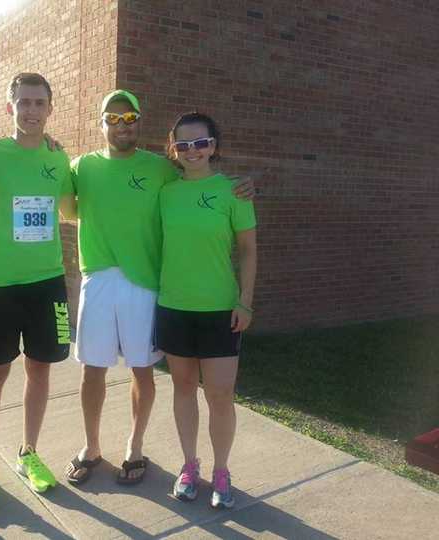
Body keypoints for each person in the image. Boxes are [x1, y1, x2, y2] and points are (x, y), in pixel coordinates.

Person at [64, 91, 254, 486]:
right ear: (100, 122)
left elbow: (204, 181)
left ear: (139, 121)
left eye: (129, 117)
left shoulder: (161, 170)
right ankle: (91, 447)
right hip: (98, 278)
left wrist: (247, 185)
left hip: (146, 284)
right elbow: (64, 207)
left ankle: (135, 448)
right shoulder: (80, 166)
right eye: (112, 118)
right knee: (92, 372)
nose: (122, 124)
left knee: (142, 372)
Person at [0, 73, 75, 509]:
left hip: (47, 283)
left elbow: (74, 209)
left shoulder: (58, 159)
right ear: (10, 108)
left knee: (41, 371)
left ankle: (29, 452)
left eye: (39, 103)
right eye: (24, 103)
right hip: (1, 285)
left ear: (50, 109)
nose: (31, 111)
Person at [156, 112, 257, 508]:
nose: (192, 151)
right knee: (183, 389)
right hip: (174, 307)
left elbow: (248, 251)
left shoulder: (233, 191)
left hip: (219, 310)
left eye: (200, 143)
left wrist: (245, 300)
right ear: (173, 149)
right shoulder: (165, 192)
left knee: (220, 394)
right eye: (183, 144)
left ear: (214, 145)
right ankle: (189, 466)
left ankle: (221, 470)